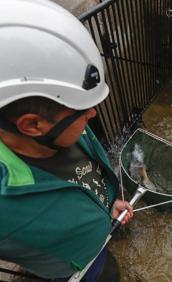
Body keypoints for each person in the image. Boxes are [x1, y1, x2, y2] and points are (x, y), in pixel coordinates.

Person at [0, 0, 133, 281]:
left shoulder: (65, 130)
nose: (93, 113)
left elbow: (88, 174)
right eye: (82, 111)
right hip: (75, 272)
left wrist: (108, 204)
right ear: (32, 125)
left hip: (95, 238)